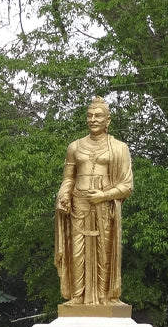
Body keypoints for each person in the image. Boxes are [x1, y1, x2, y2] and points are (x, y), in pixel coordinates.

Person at [54, 96, 133, 306]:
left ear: (108, 120)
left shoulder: (119, 148)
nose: (93, 119)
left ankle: (105, 296)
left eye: (98, 116)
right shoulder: (74, 147)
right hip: (79, 204)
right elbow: (68, 178)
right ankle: (78, 295)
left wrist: (104, 196)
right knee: (77, 251)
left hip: (105, 206)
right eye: (89, 116)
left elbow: (127, 186)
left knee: (104, 251)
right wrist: (63, 195)